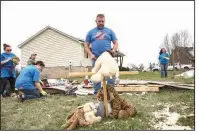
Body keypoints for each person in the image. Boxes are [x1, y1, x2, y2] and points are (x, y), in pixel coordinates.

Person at [84, 14, 119, 95]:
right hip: (96, 58)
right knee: (96, 77)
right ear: (96, 21)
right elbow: (86, 45)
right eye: (99, 21)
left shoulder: (109, 31)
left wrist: (113, 50)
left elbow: (116, 43)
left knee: (110, 76)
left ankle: (110, 94)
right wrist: (90, 54)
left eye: (102, 21)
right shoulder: (91, 32)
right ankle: (98, 94)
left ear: (105, 21)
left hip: (108, 58)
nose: (101, 23)